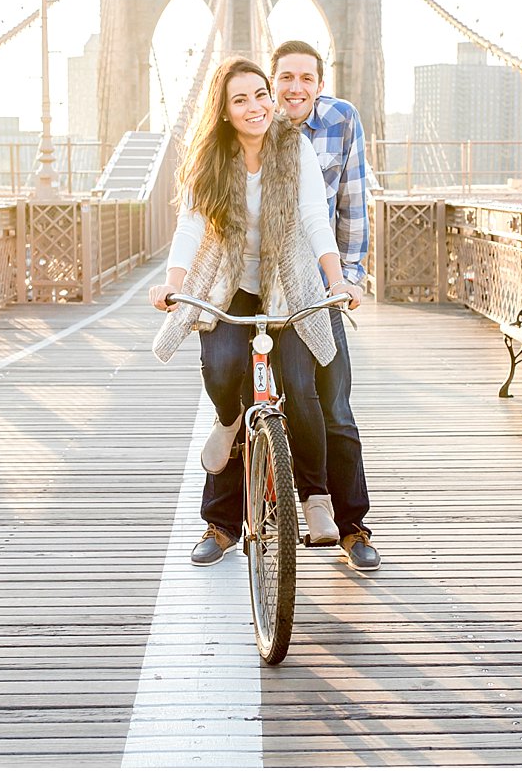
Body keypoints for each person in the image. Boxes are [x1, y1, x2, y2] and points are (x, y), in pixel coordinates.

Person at [149, 56, 363, 567]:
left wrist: (337, 282)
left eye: (261, 95)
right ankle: (227, 428)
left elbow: (315, 217)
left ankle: (315, 499)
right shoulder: (210, 159)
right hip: (231, 284)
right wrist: (172, 284)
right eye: (240, 99)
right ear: (223, 111)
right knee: (222, 369)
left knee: (305, 389)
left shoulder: (296, 148)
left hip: (289, 282)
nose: (256, 106)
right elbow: (190, 227)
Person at [269, 39, 380, 571]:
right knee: (265, 399)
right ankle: (228, 521)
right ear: (271, 80)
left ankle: (352, 524)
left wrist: (351, 278)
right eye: (285, 77)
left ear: (319, 81)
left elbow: (351, 203)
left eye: (306, 78)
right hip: (263, 288)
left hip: (322, 286)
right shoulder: (251, 119)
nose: (296, 88)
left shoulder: (341, 120)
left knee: (334, 403)